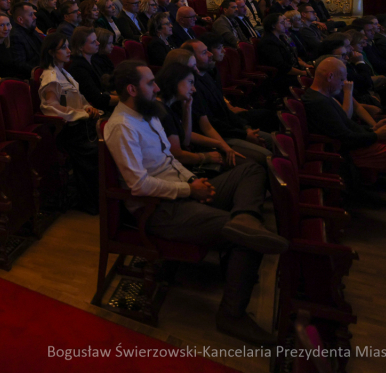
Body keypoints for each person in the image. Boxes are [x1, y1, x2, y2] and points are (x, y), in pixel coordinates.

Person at [103, 59, 287, 346]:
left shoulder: (149, 112)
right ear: (131, 89)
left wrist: (193, 182)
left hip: (182, 187)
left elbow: (170, 159)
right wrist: (190, 190)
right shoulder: (121, 127)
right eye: (150, 83)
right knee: (243, 236)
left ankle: (246, 217)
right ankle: (231, 315)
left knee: (251, 170)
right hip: (159, 208)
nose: (157, 86)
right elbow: (138, 185)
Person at [305, 57, 386, 224]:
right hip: (356, 150)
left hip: (363, 140)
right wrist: (376, 135)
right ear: (330, 76)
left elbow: (347, 126)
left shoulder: (322, 96)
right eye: (342, 78)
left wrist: (373, 129)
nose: (344, 83)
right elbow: (345, 138)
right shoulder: (318, 102)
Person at [37, 33, 100, 214]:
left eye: (67, 46)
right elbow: (52, 108)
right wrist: (81, 113)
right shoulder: (51, 77)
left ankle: (96, 198)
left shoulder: (64, 72)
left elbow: (79, 98)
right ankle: (91, 202)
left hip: (80, 125)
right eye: (63, 47)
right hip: (68, 131)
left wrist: (88, 107)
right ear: (51, 52)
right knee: (96, 151)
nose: (68, 51)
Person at [68, 27, 116, 112]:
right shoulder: (78, 68)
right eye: (93, 42)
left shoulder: (93, 61)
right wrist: (123, 99)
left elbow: (104, 88)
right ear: (80, 47)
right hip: (97, 112)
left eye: (97, 40)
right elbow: (97, 99)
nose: (98, 43)